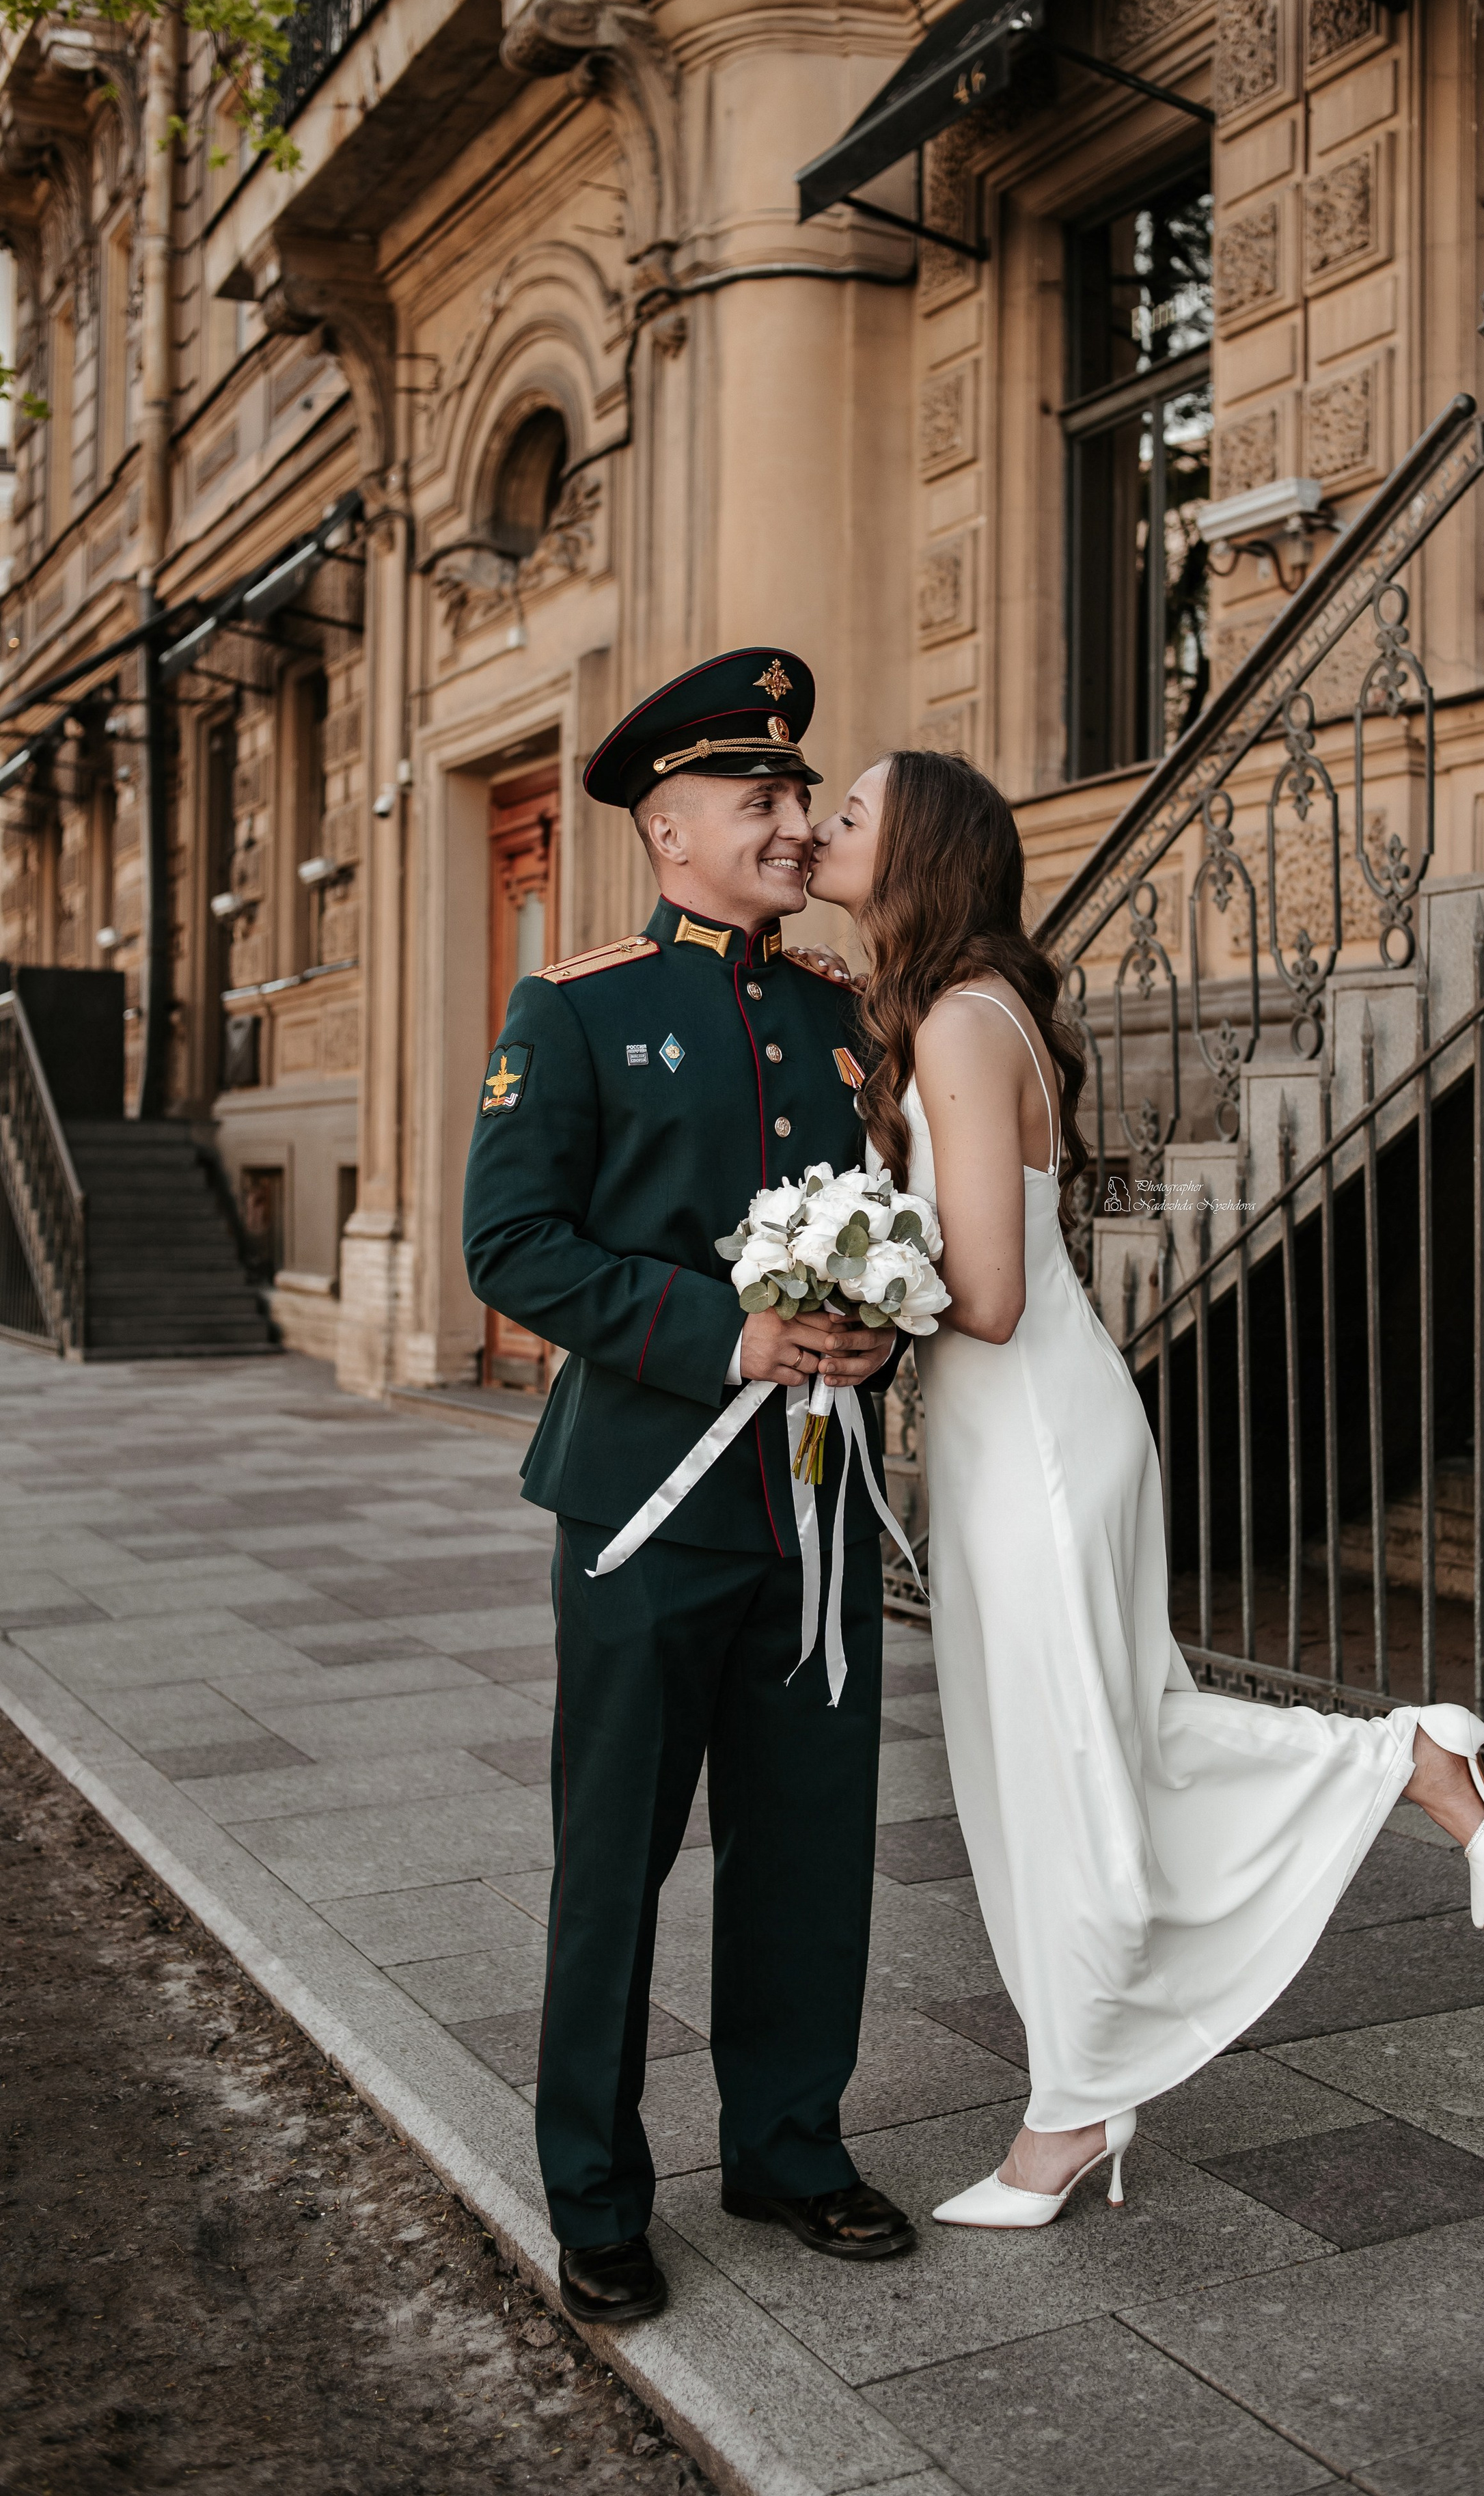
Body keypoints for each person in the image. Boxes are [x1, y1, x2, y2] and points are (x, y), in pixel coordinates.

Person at [806, 749, 1484, 2230]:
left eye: (848, 815)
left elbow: (992, 1297)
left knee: (1060, 1766)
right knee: (1104, 1741)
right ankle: (1401, 1759)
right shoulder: (977, 1006)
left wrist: (844, 1285)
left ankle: (1068, 2114)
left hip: (1029, 1431)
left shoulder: (953, 1019)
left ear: (915, 855)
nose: (817, 826)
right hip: (1037, 1424)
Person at [463, 648, 913, 2326]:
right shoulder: (574, 1007)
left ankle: (790, 2147)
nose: (796, 820)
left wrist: (873, 1331)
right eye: (763, 797)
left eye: (802, 792)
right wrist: (725, 1332)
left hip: (811, 1497)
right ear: (669, 830)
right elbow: (508, 1245)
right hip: (643, 1501)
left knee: (807, 1844)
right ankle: (593, 2184)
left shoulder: (836, 1012)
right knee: (617, 1853)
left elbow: (887, 1234)